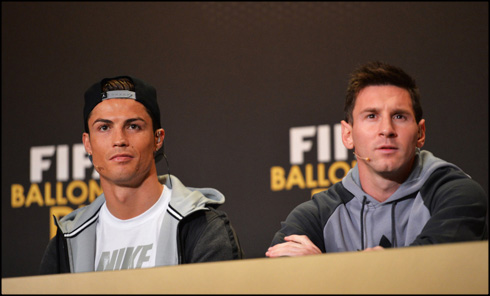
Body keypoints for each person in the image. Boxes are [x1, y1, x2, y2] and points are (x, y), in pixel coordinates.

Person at [266, 61, 488, 257]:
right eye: (371, 116)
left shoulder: (458, 195)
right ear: (348, 134)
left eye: (399, 116)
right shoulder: (317, 214)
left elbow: (430, 272)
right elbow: (278, 278)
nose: (386, 130)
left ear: (420, 133)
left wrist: (320, 269)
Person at [40, 75, 243, 274]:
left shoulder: (203, 229)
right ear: (87, 143)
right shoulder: (65, 242)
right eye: (104, 128)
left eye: (133, 126)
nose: (119, 140)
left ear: (158, 138)